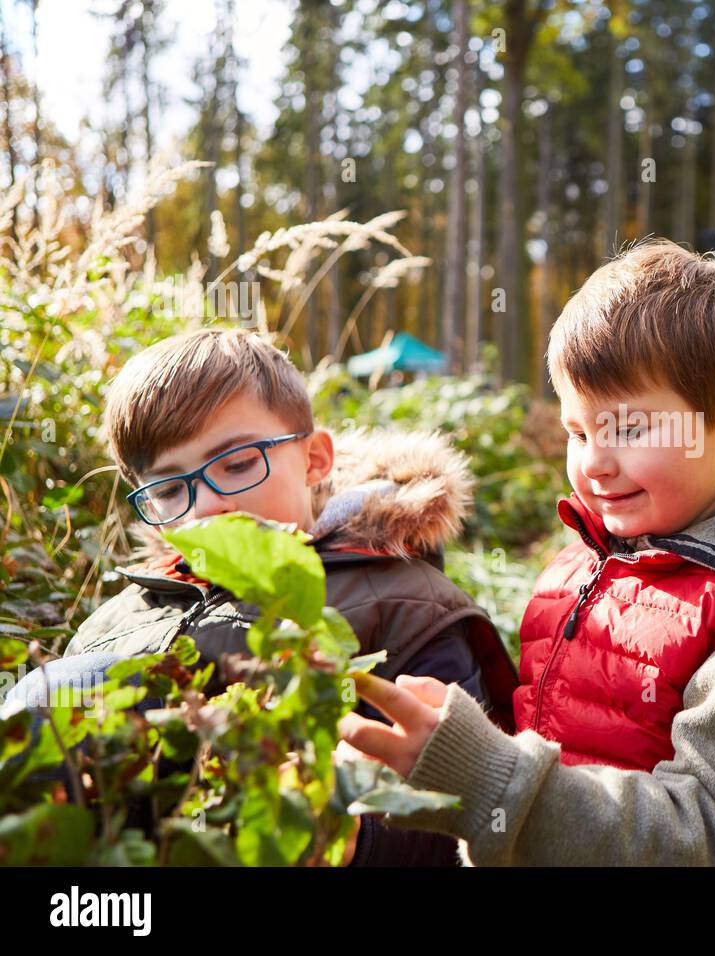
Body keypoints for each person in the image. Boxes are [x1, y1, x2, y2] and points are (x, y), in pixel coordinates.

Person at [337, 240, 715, 865]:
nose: (594, 461)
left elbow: (711, 837)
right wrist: (444, 757)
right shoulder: (577, 568)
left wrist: (491, 777)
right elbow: (554, 764)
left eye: (631, 427)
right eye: (578, 431)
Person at [6, 328, 517, 866]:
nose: (203, 507)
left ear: (315, 458)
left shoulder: (407, 607)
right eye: (169, 489)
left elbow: (449, 811)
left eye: (238, 464)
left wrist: (340, 833)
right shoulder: (119, 619)